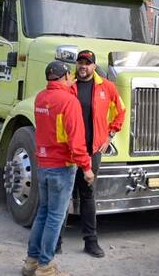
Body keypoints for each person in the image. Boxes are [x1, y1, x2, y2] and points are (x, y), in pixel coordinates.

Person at [23, 62, 94, 276]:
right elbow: (75, 140)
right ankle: (46, 266)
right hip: (62, 166)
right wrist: (87, 167)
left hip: (43, 164)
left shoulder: (40, 98)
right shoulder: (69, 102)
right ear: (64, 77)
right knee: (55, 216)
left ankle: (31, 262)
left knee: (43, 213)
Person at [62, 49, 125, 258]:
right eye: (80, 62)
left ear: (94, 66)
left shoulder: (106, 87)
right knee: (64, 195)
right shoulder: (68, 86)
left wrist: (109, 136)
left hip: (93, 149)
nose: (83, 66)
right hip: (69, 149)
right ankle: (55, 241)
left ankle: (91, 241)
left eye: (87, 63)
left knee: (88, 194)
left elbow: (121, 111)